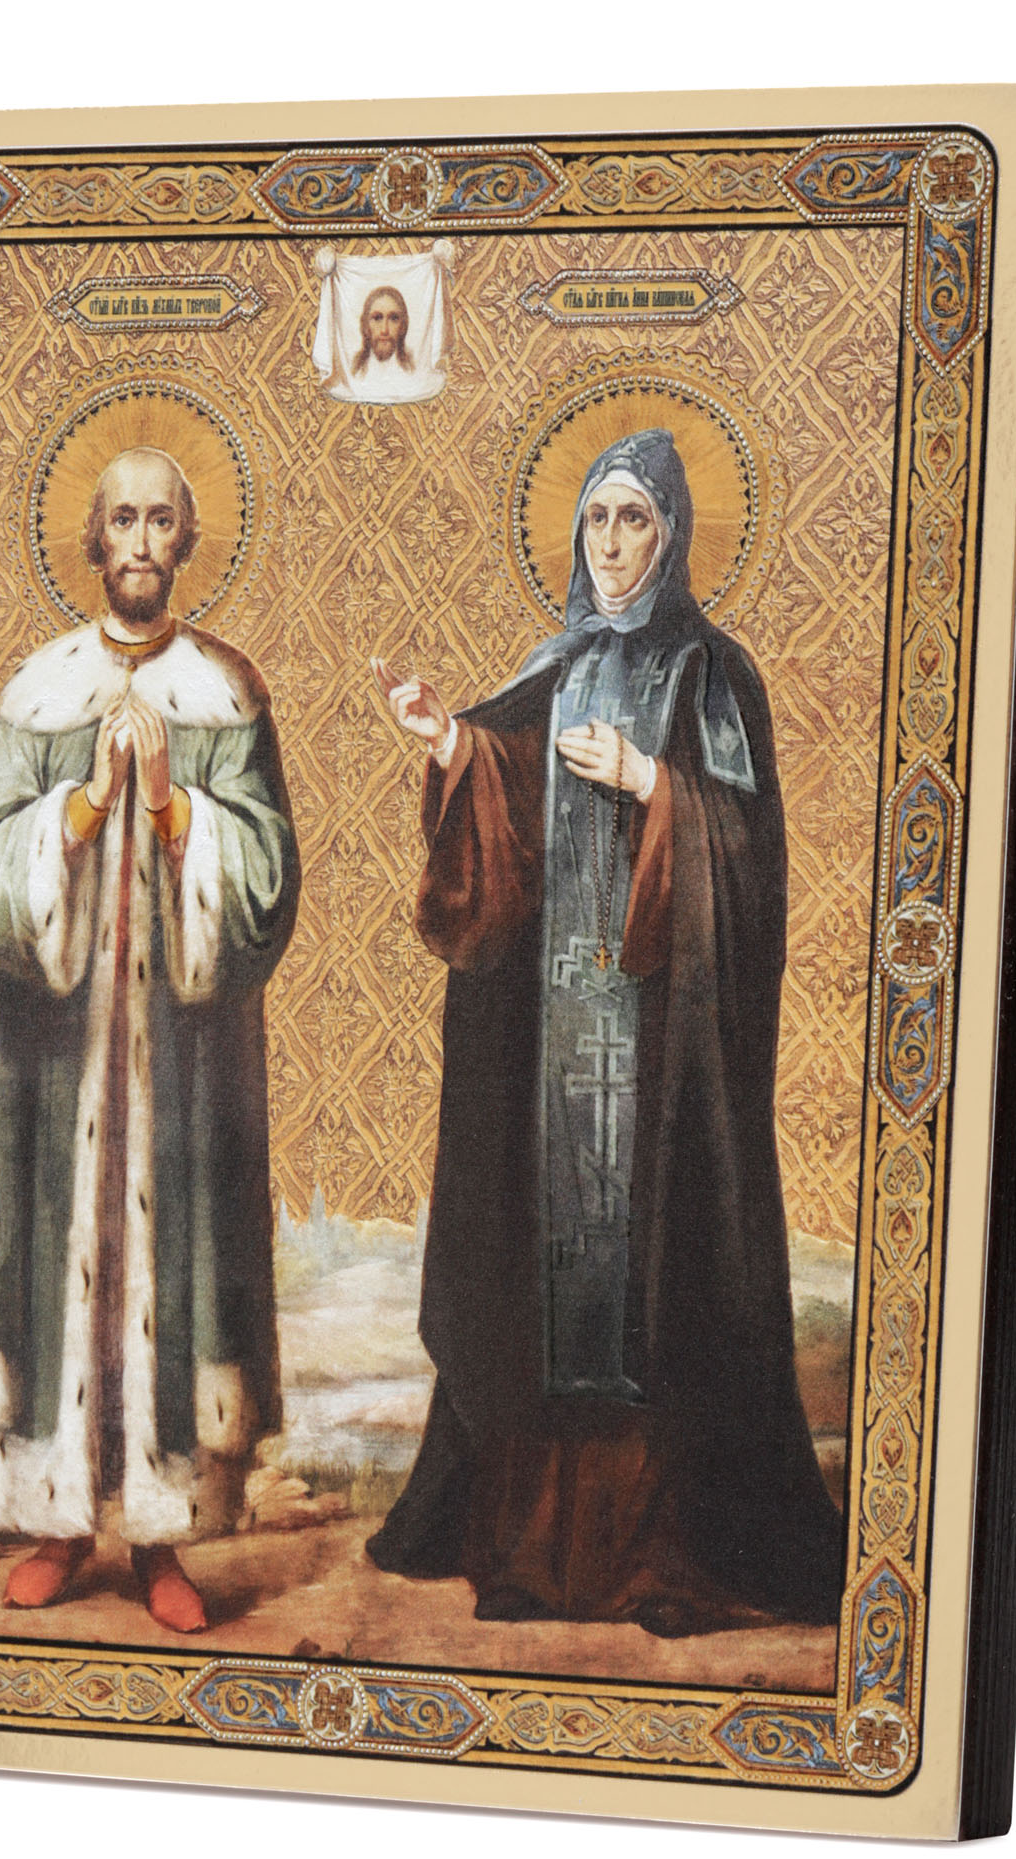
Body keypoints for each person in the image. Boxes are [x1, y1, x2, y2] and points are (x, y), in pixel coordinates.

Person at [367, 428, 843, 1636]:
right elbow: (507, 790)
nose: (614, 544)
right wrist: (450, 743)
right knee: (540, 1277)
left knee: (658, 1287)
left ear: (672, 533)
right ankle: (534, 1557)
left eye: (635, 519)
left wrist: (650, 784)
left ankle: (668, 1561)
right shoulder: (558, 665)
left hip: (661, 1057)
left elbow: (748, 857)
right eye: (597, 520)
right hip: (552, 1055)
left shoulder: (710, 674)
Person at [0, 447, 300, 1629]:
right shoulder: (41, 692)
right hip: (53, 1057)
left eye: (161, 520)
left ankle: (161, 1541)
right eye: (123, 520)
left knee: (176, 1262)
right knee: (55, 1261)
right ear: (94, 540)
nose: (141, 541)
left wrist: (172, 803)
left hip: (181, 1059)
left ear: (184, 542)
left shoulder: (224, 693)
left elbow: (268, 885)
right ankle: (57, 1522)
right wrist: (86, 805)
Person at [353, 285, 414, 378]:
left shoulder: (412, 367)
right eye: (377, 318)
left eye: (393, 319)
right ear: (365, 324)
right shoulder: (355, 369)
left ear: (403, 326)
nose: (384, 330)